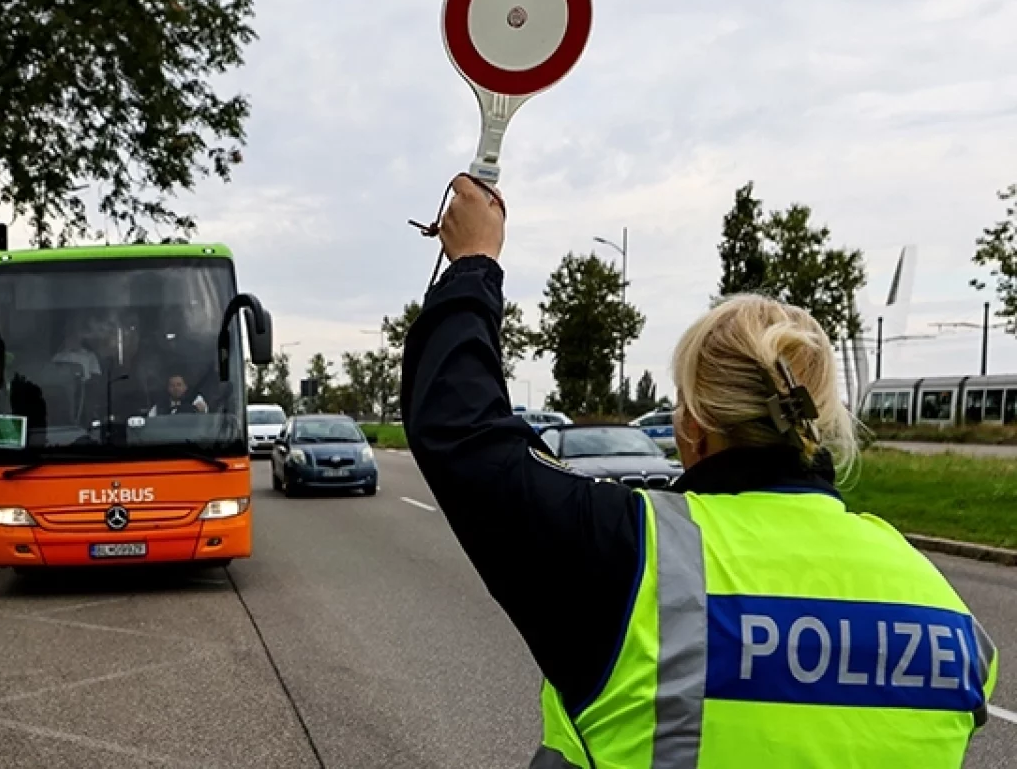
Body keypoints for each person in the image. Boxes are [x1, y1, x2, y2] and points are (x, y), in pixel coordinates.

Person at [400, 175, 998, 768]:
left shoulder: (630, 553)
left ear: (695, 426)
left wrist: (474, 262)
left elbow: (466, 437)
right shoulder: (945, 612)